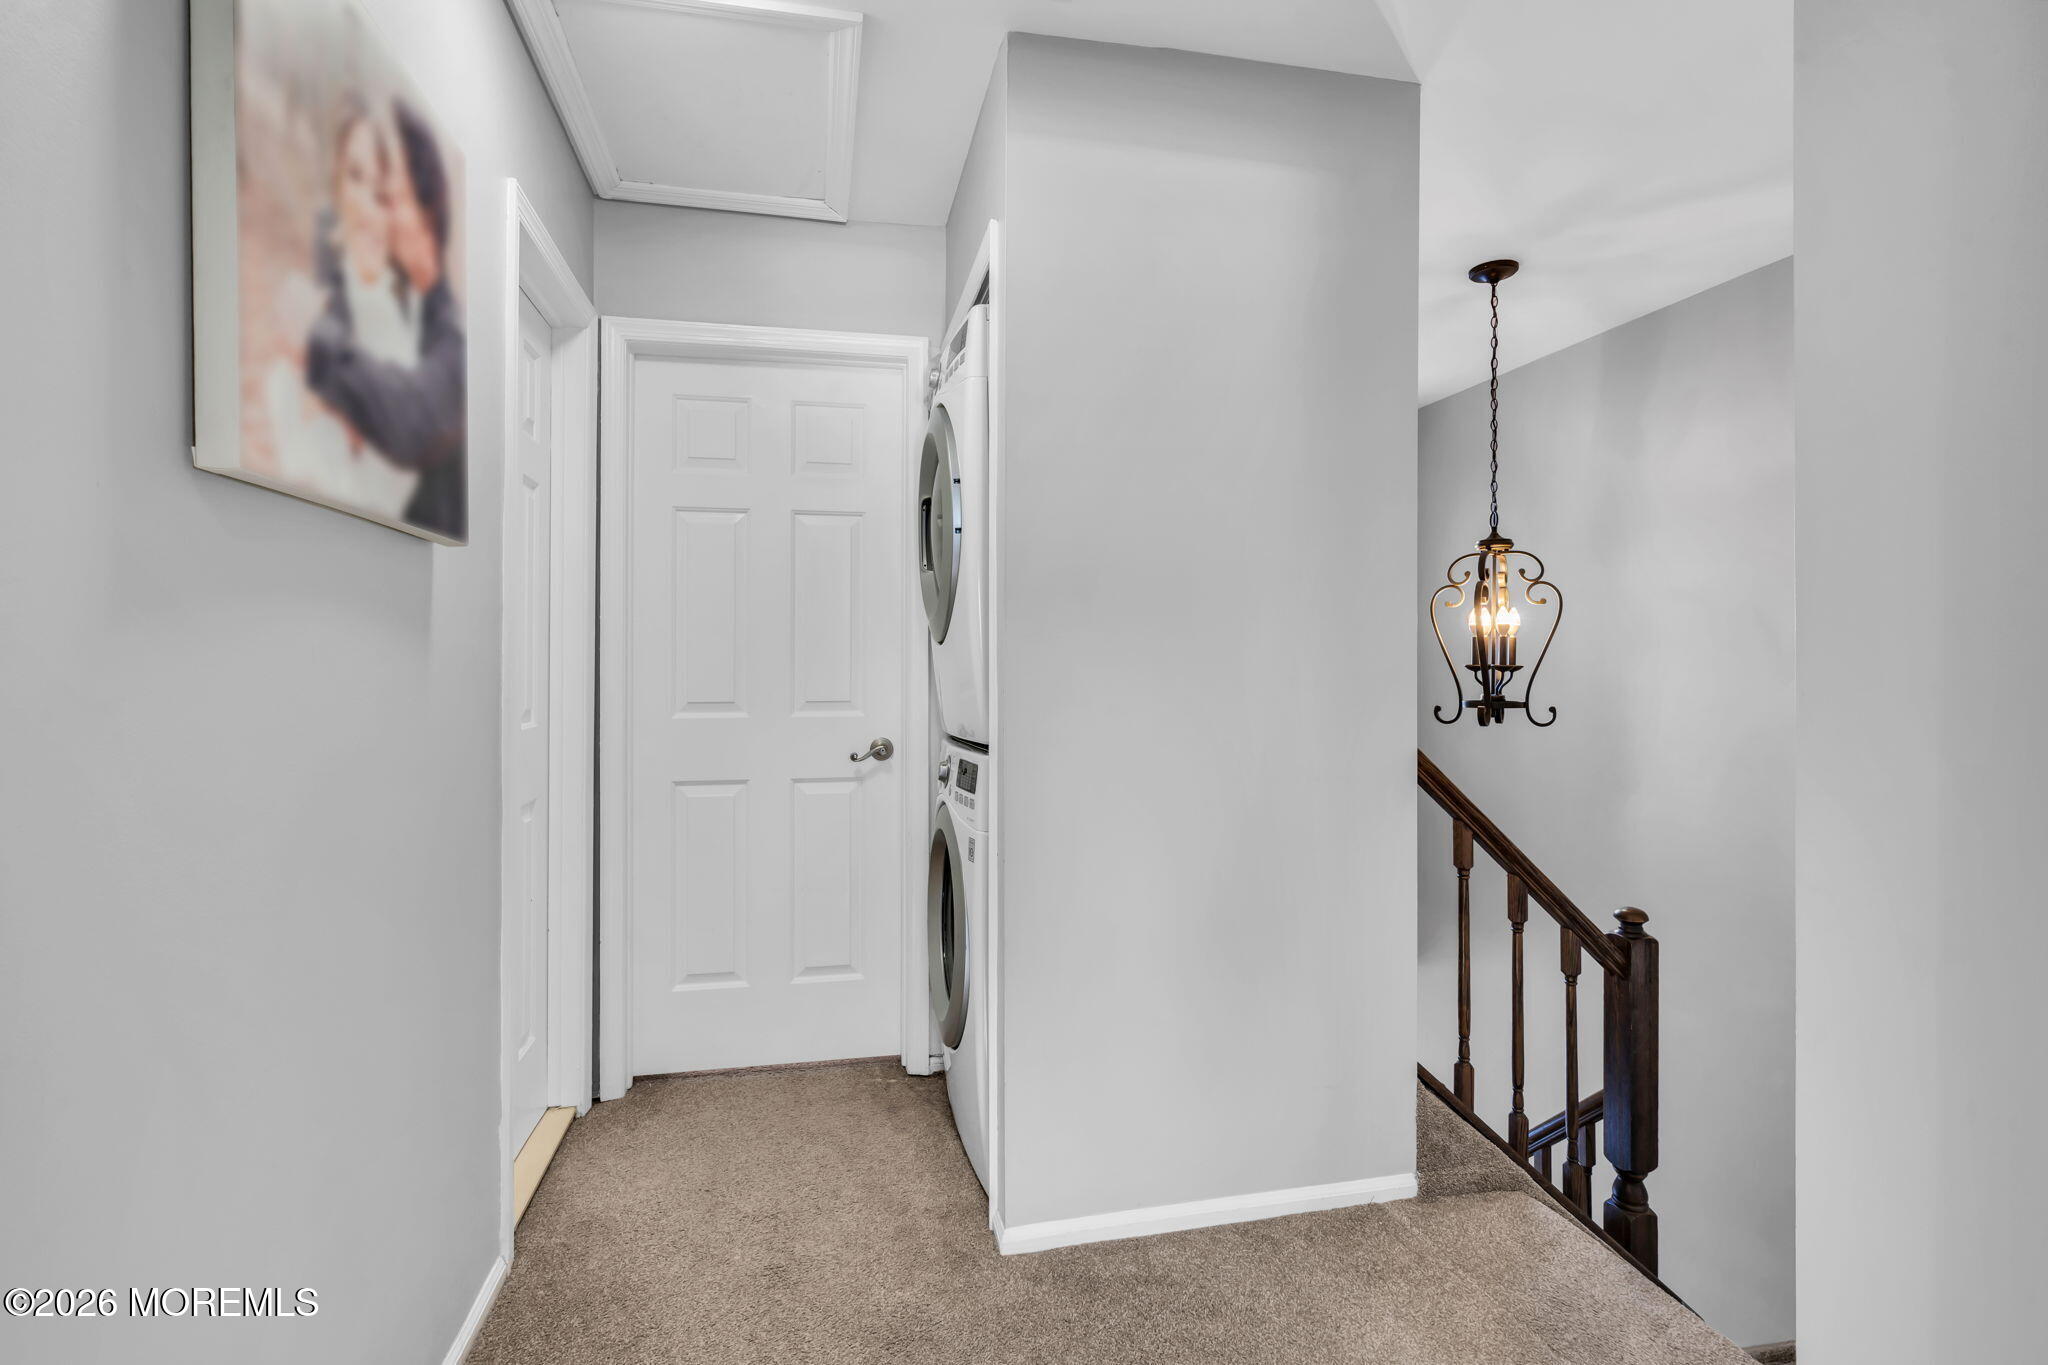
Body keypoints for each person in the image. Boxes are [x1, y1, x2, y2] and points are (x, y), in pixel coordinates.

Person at [303, 98, 466, 541]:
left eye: (387, 194)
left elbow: (416, 423)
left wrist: (323, 358)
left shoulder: (448, 336)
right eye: (358, 180)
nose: (378, 213)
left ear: (425, 212)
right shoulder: (380, 303)